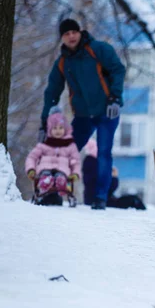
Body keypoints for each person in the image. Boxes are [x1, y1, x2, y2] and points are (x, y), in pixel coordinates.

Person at [41, 18, 126, 210]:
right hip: (83, 115)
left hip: (107, 111)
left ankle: (100, 198)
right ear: (62, 38)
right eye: (66, 34)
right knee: (65, 150)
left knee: (103, 153)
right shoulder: (63, 62)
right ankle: (53, 193)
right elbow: (52, 91)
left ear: (80, 33)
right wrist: (44, 121)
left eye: (73, 32)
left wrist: (115, 98)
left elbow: (118, 70)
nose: (71, 36)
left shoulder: (98, 49)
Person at [25, 106, 80, 203]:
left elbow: (75, 161)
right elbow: (32, 157)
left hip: (63, 170)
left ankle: (62, 184)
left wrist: (75, 173)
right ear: (50, 129)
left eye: (60, 128)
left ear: (65, 129)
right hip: (45, 168)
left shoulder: (70, 145)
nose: (58, 131)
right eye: (54, 128)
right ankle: (45, 183)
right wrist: (31, 169)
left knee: (60, 176)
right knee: (46, 174)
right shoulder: (44, 144)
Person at [82, 139, 146, 210]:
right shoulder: (93, 163)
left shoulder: (91, 163)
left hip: (97, 200)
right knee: (133, 201)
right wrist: (114, 177)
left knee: (132, 199)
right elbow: (106, 187)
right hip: (99, 201)